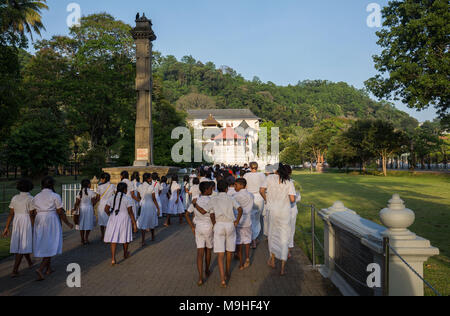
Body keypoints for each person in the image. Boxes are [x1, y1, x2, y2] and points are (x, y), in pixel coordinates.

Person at [197, 180, 243, 288]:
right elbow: (240, 209)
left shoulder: (213, 199)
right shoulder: (231, 198)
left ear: (217, 189)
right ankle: (227, 272)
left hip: (219, 225)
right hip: (230, 225)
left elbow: (204, 211)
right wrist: (237, 221)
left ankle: (222, 279)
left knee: (220, 254)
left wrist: (195, 205)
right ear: (227, 188)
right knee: (229, 251)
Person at [32, 176, 74, 281]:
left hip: (39, 219)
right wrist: (68, 223)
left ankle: (48, 268)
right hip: (50, 220)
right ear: (52, 185)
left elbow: (32, 212)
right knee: (51, 244)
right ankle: (40, 269)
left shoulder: (36, 196)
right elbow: (60, 212)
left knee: (45, 243)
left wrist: (33, 223)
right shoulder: (55, 196)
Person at [260, 163, 296, 276]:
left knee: (272, 235)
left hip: (272, 211)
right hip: (284, 212)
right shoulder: (289, 182)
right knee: (284, 237)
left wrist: (267, 200)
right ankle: (282, 268)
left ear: (277, 170)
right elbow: (292, 198)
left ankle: (272, 260)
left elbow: (261, 190)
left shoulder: (269, 177)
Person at [2, 179, 35, 277]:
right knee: (23, 245)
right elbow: (32, 214)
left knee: (22, 243)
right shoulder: (31, 198)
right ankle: (15, 270)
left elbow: (11, 214)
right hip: (26, 221)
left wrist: (7, 227)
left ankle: (30, 262)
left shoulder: (15, 197)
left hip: (17, 221)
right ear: (30, 187)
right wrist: (34, 226)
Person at [185, 182, 214, 286]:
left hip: (198, 228)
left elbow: (187, 214)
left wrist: (192, 227)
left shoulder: (195, 200)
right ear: (206, 190)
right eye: (211, 188)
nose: (212, 190)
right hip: (209, 227)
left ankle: (200, 277)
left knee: (200, 252)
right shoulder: (211, 201)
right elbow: (212, 216)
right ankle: (207, 270)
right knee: (208, 250)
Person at [104, 182, 138, 266]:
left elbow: (106, 209)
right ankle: (125, 253)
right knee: (125, 237)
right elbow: (130, 212)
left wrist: (110, 214)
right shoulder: (127, 199)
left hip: (113, 218)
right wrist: (134, 224)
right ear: (124, 189)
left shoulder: (111, 198)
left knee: (113, 238)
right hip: (124, 219)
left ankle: (113, 258)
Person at [244, 162, 266, 249]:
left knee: (250, 219)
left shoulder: (246, 175)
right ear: (257, 167)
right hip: (259, 197)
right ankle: (254, 238)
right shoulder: (261, 175)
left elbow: (244, 186)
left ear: (250, 167)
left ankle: (252, 239)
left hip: (249, 197)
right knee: (256, 220)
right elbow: (264, 187)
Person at [233, 178, 254, 270]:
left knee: (239, 242)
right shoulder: (251, 195)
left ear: (242, 185)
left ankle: (241, 263)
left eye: (236, 185)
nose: (234, 187)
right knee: (247, 241)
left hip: (238, 221)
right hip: (248, 220)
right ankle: (248, 258)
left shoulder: (235, 196)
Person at [73, 179, 99, 245]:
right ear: (88, 184)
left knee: (81, 224)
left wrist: (75, 209)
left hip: (81, 209)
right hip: (89, 209)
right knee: (88, 223)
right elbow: (93, 203)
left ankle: (82, 239)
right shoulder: (91, 192)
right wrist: (97, 199)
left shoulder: (80, 192)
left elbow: (77, 202)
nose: (90, 184)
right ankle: (86, 238)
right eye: (90, 183)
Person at [136, 174, 160, 246]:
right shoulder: (151, 187)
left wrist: (141, 200)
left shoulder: (139, 186)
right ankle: (152, 237)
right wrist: (158, 207)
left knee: (143, 221)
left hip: (143, 205)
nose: (151, 179)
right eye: (150, 178)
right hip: (151, 205)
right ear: (148, 179)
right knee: (151, 219)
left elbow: (138, 196)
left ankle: (143, 240)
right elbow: (154, 198)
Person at [285, 165, 301, 258]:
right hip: (291, 208)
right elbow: (298, 198)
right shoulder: (294, 183)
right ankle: (287, 250)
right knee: (290, 230)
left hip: (283, 208)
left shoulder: (278, 182)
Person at [96, 173, 116, 242]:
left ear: (104, 179)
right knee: (109, 221)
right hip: (110, 204)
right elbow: (116, 194)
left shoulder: (99, 187)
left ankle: (103, 235)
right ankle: (109, 236)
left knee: (102, 222)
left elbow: (98, 198)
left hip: (102, 205)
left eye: (101, 178)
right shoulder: (112, 186)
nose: (101, 180)